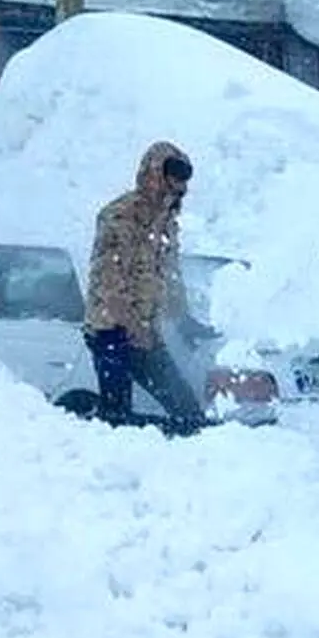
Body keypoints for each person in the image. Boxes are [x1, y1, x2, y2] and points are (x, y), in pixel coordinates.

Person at [83, 140, 218, 436]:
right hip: (112, 331)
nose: (181, 188)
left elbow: (169, 275)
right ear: (157, 176)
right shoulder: (121, 216)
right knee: (117, 417)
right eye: (175, 179)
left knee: (187, 411)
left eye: (184, 182)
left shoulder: (166, 221)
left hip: (146, 332)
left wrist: (183, 319)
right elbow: (108, 281)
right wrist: (131, 326)